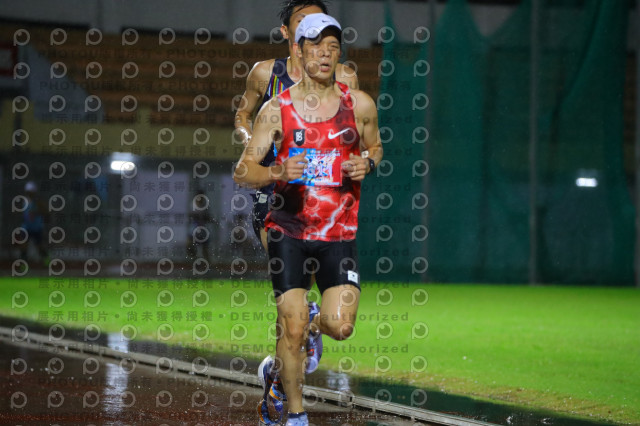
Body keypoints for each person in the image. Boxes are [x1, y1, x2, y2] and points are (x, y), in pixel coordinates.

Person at [233, 13, 383, 426]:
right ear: (298, 51)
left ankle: (306, 333)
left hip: (339, 233)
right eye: (316, 46)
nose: (325, 54)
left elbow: (375, 146)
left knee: (340, 326)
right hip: (290, 230)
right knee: (292, 327)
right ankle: (296, 415)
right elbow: (243, 171)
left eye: (333, 47)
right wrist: (278, 171)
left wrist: (367, 163)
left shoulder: (359, 104)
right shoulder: (277, 109)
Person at [19, 181, 49, 266]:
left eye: (31, 191)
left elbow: (46, 212)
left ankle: (46, 260)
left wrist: (36, 213)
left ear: (34, 191)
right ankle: (23, 264)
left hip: (36, 228)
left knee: (39, 246)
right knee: (23, 245)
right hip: (26, 227)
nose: (29, 193)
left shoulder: (38, 201)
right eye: (28, 191)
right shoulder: (25, 201)